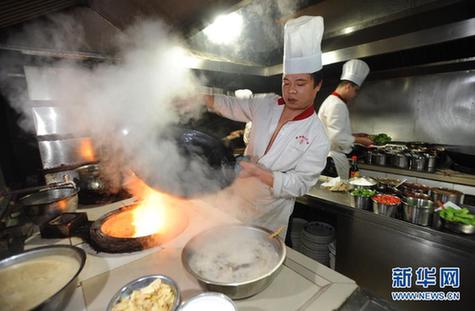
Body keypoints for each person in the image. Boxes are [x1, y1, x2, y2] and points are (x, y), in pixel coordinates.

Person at [203, 16, 330, 237]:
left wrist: (262, 174)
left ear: (317, 85)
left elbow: (301, 184)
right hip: (235, 202)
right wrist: (201, 98)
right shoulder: (266, 104)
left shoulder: (317, 135)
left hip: (269, 217)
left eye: (300, 84)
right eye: (286, 82)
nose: (290, 91)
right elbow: (232, 104)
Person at [318, 59, 372, 179]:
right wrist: (360, 140)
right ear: (348, 86)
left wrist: (354, 134)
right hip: (332, 162)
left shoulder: (332, 101)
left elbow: (333, 131)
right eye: (356, 91)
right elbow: (336, 137)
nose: (355, 95)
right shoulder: (337, 104)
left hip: (328, 158)